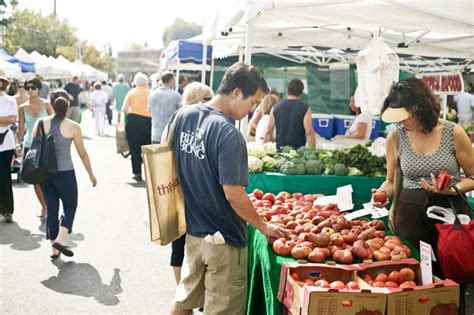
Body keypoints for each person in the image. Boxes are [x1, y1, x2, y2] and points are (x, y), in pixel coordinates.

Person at [169, 62, 286, 315]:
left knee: (184, 301)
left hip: (193, 231)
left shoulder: (185, 116)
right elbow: (233, 194)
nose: (252, 109)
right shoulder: (229, 134)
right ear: (235, 92)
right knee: (222, 308)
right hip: (223, 240)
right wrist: (263, 225)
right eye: (252, 102)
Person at [371, 78, 474, 314]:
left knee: (450, 284)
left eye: (405, 116)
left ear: (419, 107)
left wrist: (451, 188)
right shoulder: (396, 137)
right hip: (409, 221)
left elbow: (473, 176)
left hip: (450, 220)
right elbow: (391, 179)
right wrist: (381, 194)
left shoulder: (453, 132)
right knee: (412, 285)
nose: (402, 122)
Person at [32, 90, 97, 259]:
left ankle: (54, 250)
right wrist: (91, 174)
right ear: (67, 108)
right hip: (65, 173)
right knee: (70, 206)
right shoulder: (73, 126)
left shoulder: (40, 123)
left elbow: (33, 148)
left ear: (51, 105)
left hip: (45, 173)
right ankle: (61, 239)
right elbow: (82, 153)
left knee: (52, 209)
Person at [164, 81, 213, 285]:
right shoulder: (193, 120)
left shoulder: (175, 119)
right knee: (189, 240)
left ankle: (182, 290)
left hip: (177, 188)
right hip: (187, 188)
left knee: (181, 241)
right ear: (197, 98)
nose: (211, 104)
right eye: (207, 99)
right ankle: (184, 293)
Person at [16, 77, 52, 219]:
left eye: (33, 87)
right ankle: (44, 207)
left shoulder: (47, 105)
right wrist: (17, 144)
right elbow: (20, 128)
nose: (30, 90)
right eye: (27, 87)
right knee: (35, 179)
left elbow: (56, 123)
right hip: (29, 145)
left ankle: (51, 205)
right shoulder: (22, 107)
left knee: (48, 177)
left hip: (46, 144)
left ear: (39, 89)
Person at [264, 78, 315, 150]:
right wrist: (312, 152)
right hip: (298, 152)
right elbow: (309, 132)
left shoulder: (275, 107)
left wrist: (266, 151)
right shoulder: (305, 108)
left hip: (280, 151)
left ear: (287, 90)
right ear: (301, 93)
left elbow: (269, 130)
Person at [121, 72, 151, 181]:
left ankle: (137, 173)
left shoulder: (131, 93)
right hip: (148, 122)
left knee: (135, 149)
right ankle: (149, 173)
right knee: (147, 149)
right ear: (146, 82)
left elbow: (124, 109)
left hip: (133, 121)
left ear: (135, 82)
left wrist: (132, 112)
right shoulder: (151, 93)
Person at [0, 71, 17, 223]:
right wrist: (3, 120)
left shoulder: (10, 100)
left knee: (5, 177)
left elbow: (12, 119)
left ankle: (7, 210)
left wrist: (5, 121)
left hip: (6, 144)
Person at [148, 72, 182, 145]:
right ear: (171, 80)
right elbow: (181, 115)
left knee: (156, 156)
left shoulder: (152, 94)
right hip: (170, 135)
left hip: (155, 133)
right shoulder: (177, 96)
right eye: (174, 79)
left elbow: (149, 111)